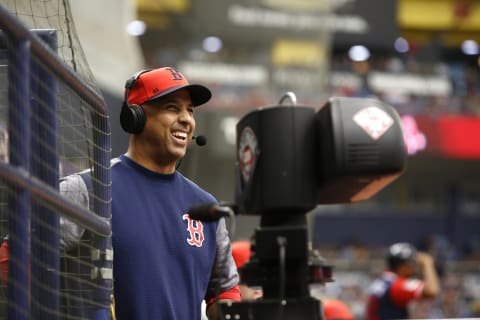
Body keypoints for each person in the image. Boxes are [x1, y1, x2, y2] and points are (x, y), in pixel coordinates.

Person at [60, 67, 241, 319]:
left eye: (190, 110)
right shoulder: (88, 189)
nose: (186, 119)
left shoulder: (206, 207)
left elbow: (224, 290)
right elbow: (13, 260)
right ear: (135, 117)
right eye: (172, 107)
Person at [365, 242, 440, 320]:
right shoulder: (396, 285)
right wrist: (427, 264)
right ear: (403, 265)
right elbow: (431, 291)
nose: (414, 267)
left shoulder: (383, 281)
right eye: (412, 263)